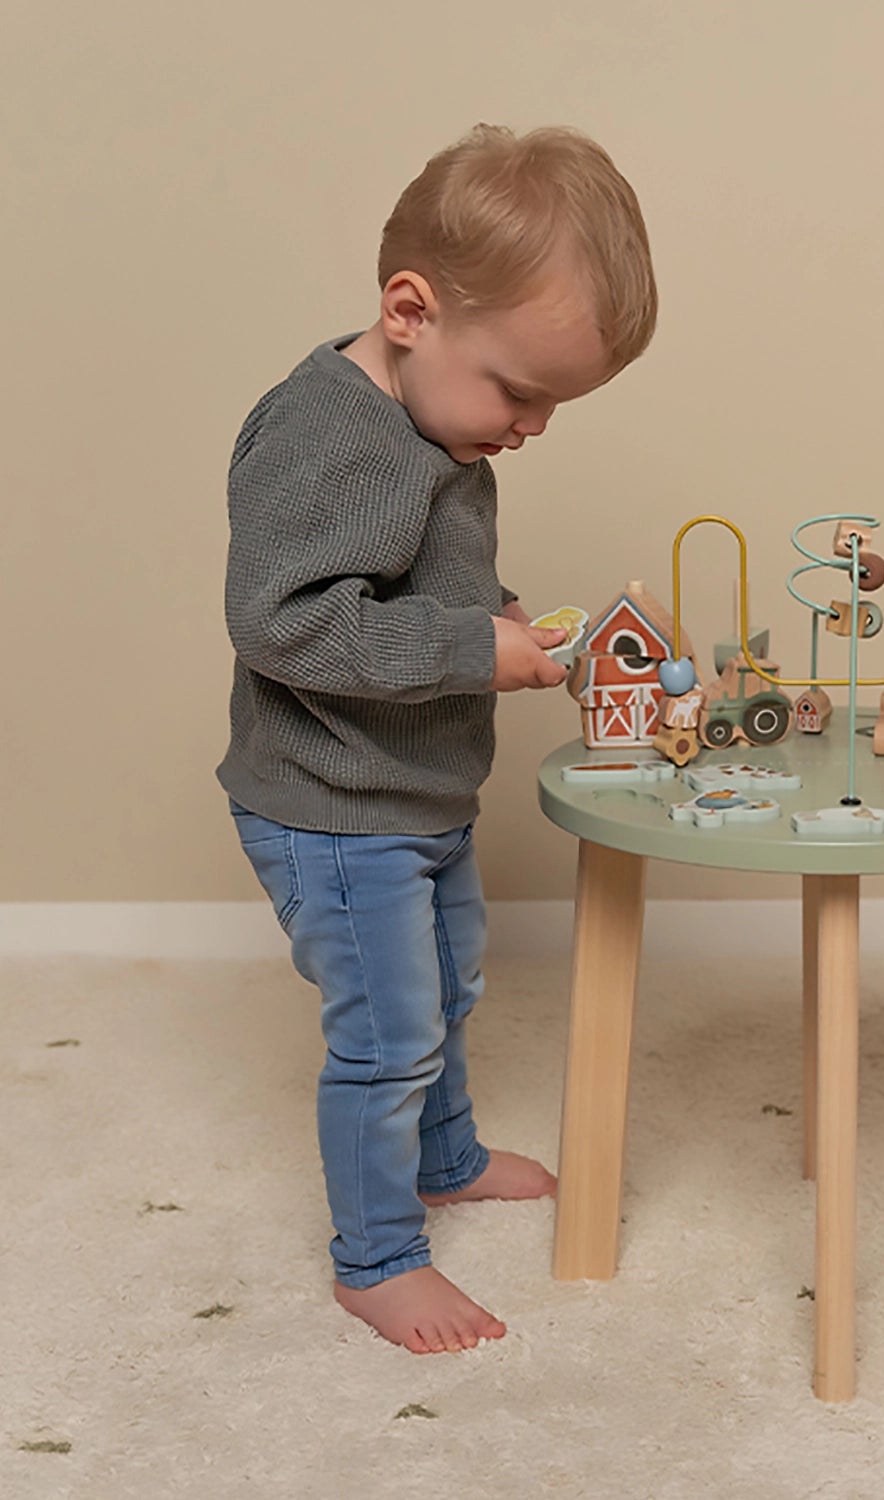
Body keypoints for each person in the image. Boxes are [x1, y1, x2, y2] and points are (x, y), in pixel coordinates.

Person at [216, 124, 656, 1354]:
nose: (531, 427)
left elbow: (408, 583)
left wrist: (499, 623)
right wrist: (472, 652)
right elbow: (285, 623)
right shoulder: (329, 434)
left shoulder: (435, 421)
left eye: (553, 403)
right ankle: (375, 1257)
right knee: (387, 1032)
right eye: (519, 392)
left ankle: (445, 1156)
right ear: (409, 311)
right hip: (332, 807)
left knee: (450, 989)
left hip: (418, 791)